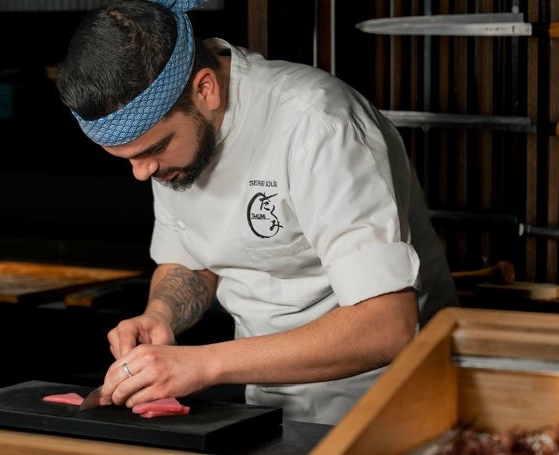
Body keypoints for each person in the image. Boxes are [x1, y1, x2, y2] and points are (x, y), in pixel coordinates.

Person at [56, 0, 458, 425]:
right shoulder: (175, 145)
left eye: (153, 150)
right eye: (128, 159)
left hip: (387, 401)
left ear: (205, 89)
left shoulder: (319, 125)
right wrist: (160, 315)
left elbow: (386, 326)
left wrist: (203, 365)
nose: (142, 173)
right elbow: (193, 260)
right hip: (267, 396)